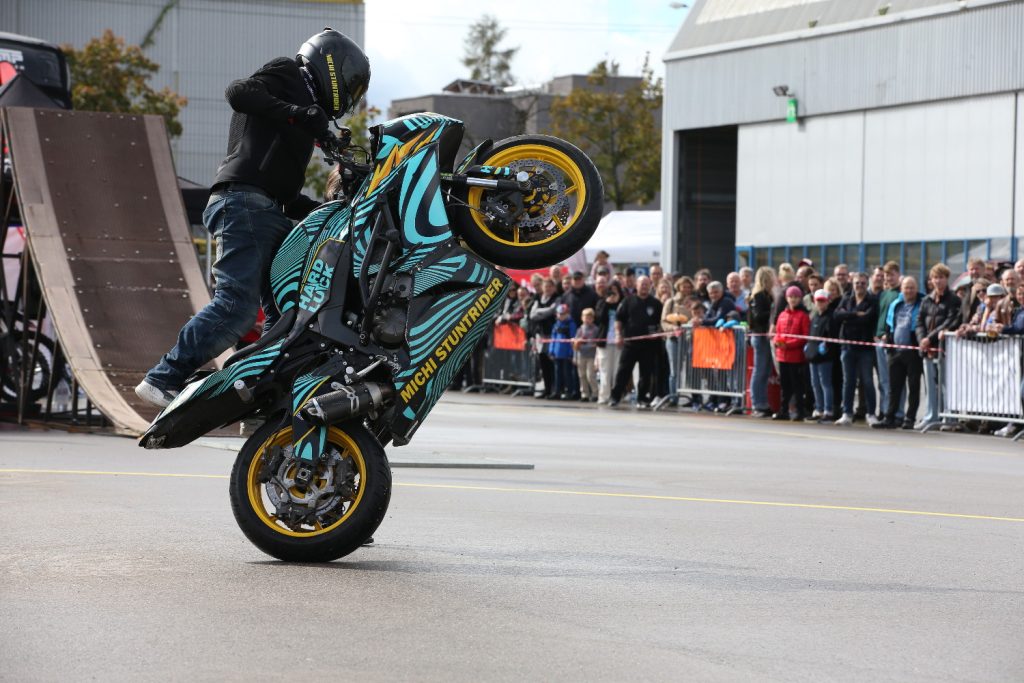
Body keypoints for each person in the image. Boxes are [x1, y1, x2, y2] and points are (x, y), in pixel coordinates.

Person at [136, 28, 371, 408]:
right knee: (237, 307)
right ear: (334, 66)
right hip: (244, 204)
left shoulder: (305, 115)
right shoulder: (289, 73)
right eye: (352, 84)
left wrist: (325, 209)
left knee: (288, 319)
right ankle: (164, 377)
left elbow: (285, 192)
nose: (351, 95)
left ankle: (262, 398)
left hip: (265, 211)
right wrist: (297, 113)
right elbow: (238, 93)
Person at [873, 276, 923, 430]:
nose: (909, 291)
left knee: (913, 386)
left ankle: (910, 418)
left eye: (912, 288)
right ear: (901, 289)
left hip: (913, 351)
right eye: (906, 288)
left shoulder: (922, 303)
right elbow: (889, 324)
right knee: (894, 387)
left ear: (916, 289)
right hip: (895, 351)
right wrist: (888, 340)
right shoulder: (896, 304)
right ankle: (890, 417)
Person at [915, 263, 960, 430]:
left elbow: (951, 321)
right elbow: (919, 321)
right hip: (927, 349)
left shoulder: (954, 299)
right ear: (931, 280)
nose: (938, 281)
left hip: (944, 348)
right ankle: (931, 416)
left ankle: (949, 418)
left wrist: (929, 338)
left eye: (941, 277)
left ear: (947, 279)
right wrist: (922, 339)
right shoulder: (926, 300)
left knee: (946, 384)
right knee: (930, 385)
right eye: (935, 277)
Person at [833, 272, 879, 425]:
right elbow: (837, 316)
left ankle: (871, 413)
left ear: (867, 285)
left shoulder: (872, 300)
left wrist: (848, 316)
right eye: (857, 283)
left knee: (867, 381)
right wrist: (854, 314)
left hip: (865, 347)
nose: (859, 286)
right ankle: (847, 413)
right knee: (849, 381)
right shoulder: (846, 298)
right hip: (847, 346)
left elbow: (867, 318)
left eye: (863, 283)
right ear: (852, 283)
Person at [609, 276, 661, 408]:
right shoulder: (628, 301)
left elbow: (661, 323)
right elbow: (619, 319)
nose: (644, 286)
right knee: (623, 371)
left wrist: (658, 332)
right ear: (636, 286)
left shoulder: (655, 303)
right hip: (630, 344)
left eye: (646, 284)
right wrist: (618, 334)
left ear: (650, 286)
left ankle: (642, 398)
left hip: (649, 345)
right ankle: (615, 397)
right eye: (641, 284)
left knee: (646, 373)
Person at [772, 286, 810, 421]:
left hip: (796, 357)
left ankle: (800, 411)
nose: (793, 299)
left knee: (797, 385)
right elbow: (778, 333)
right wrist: (777, 342)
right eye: (790, 297)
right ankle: (784, 410)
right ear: (787, 298)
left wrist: (787, 344)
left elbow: (804, 337)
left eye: (795, 297)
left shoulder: (803, 316)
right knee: (785, 385)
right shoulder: (782, 315)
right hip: (782, 356)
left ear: (800, 299)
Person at [874, 261, 903, 422]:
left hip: (891, 341)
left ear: (898, 275)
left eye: (892, 274)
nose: (889, 278)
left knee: (896, 380)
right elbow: (880, 316)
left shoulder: (900, 294)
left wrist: (888, 334)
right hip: (878, 340)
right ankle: (885, 410)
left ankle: (897, 412)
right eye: (887, 275)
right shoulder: (884, 294)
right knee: (883, 380)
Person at [747, 266, 776, 418]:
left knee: (765, 371)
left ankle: (762, 402)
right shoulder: (758, 296)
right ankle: (757, 403)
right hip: (759, 335)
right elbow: (758, 316)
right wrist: (773, 311)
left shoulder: (766, 295)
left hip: (763, 335)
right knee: (760, 370)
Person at [807, 289, 837, 422]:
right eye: (818, 301)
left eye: (822, 301)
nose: (820, 303)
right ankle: (818, 409)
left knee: (825, 383)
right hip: (813, 354)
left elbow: (833, 337)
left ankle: (828, 410)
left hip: (825, 356)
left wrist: (826, 347)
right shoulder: (814, 317)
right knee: (815, 383)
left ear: (827, 301)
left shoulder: (831, 317)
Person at [528, 278, 560, 398]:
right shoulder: (538, 298)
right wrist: (543, 313)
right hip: (540, 335)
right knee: (543, 363)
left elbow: (552, 311)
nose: (548, 289)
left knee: (552, 363)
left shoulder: (557, 298)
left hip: (552, 334)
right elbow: (532, 315)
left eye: (550, 287)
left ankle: (554, 389)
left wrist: (539, 313)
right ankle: (547, 389)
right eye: (546, 287)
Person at [594, 280, 623, 404]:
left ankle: (615, 396)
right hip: (605, 341)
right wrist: (607, 304)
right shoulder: (602, 302)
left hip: (618, 341)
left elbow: (625, 319)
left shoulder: (623, 303)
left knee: (617, 370)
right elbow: (599, 319)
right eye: (610, 291)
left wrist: (617, 303)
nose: (612, 293)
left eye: (615, 291)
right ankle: (604, 396)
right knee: (605, 370)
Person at [548, 304, 577, 400]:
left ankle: (569, 391)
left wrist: (571, 352)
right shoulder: (556, 325)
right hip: (557, 353)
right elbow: (553, 339)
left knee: (567, 373)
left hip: (566, 353)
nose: (561, 316)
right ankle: (557, 391)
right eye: (559, 314)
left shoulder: (571, 324)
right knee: (557, 373)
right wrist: (551, 351)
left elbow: (572, 340)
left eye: (563, 314)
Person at [573, 307, 600, 402]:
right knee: (582, 375)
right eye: (585, 317)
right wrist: (574, 356)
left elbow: (597, 343)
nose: (587, 320)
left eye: (589, 318)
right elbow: (575, 343)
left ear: (593, 319)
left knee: (590, 375)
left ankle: (595, 393)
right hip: (581, 355)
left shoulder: (596, 329)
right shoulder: (580, 329)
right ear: (582, 318)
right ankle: (584, 394)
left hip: (591, 356)